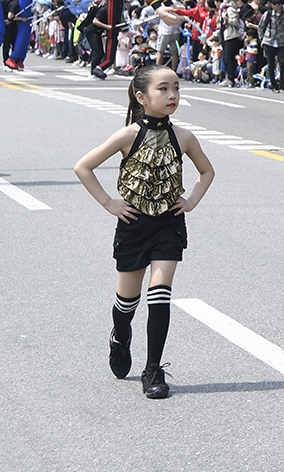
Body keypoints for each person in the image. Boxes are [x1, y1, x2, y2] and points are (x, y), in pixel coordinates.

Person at [73, 65, 216, 399]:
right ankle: (120, 336)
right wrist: (110, 202)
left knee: (160, 292)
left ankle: (153, 369)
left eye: (176, 89)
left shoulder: (184, 137)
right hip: (133, 225)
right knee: (127, 301)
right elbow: (83, 167)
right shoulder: (127, 135)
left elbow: (207, 171)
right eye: (163, 89)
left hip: (168, 223)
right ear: (142, 96)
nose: (172, 96)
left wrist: (191, 200)